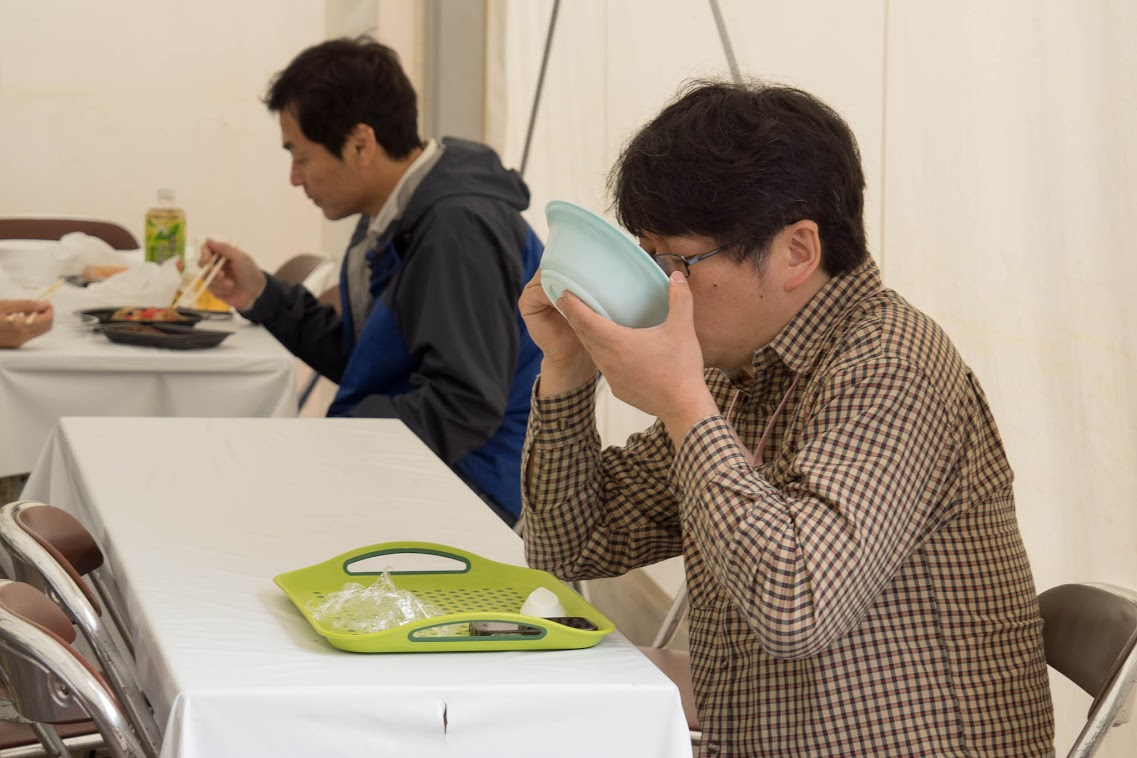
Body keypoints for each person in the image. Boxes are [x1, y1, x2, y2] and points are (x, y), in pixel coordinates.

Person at [519, 81, 1053, 755]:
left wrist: (683, 401)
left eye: (675, 262)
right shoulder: (740, 370)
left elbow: (796, 605)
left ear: (797, 251)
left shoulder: (891, 366)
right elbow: (572, 546)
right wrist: (567, 368)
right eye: (645, 256)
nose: (657, 286)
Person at [201, 37, 542, 524]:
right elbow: (369, 358)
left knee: (238, 505)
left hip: (476, 490)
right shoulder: (395, 211)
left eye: (300, 156)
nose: (296, 179)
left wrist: (329, 446)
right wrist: (261, 294)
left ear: (361, 144)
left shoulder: (457, 229)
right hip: (422, 460)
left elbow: (464, 405)